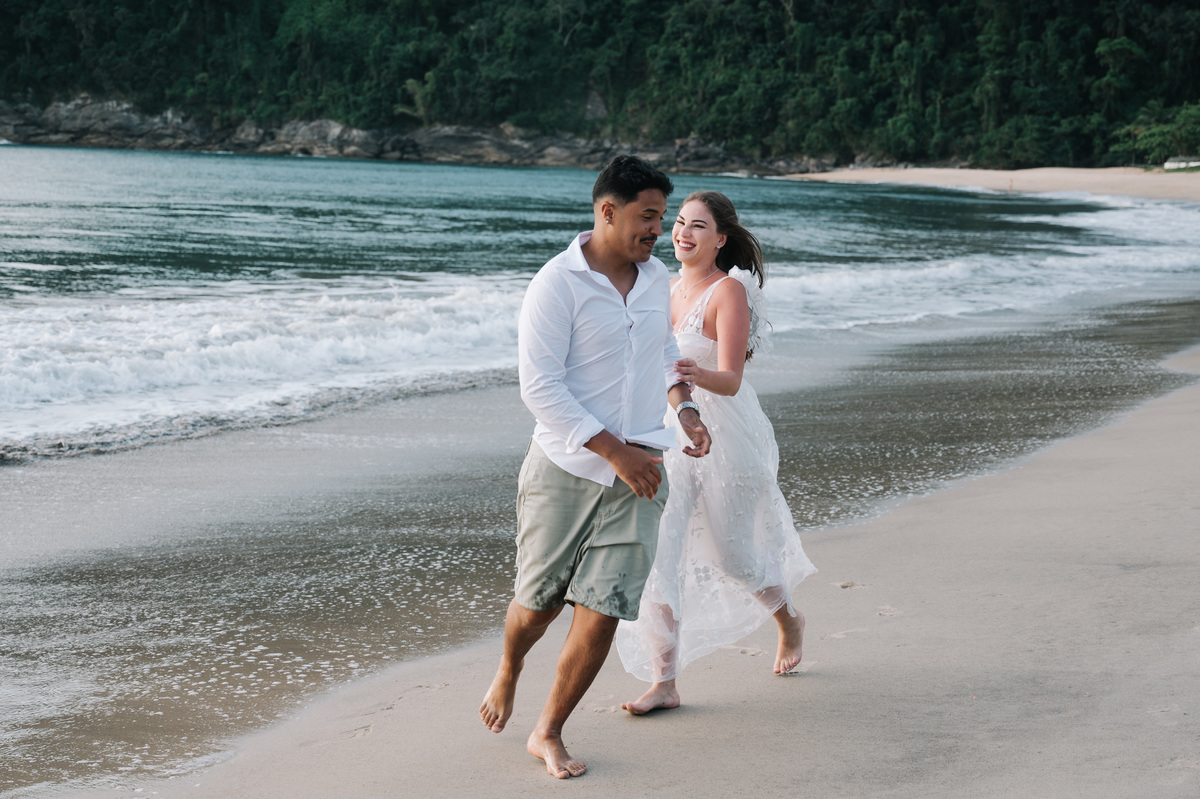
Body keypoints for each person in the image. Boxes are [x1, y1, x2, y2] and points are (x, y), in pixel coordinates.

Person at [479, 155, 712, 778]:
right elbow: (539, 387)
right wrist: (614, 452)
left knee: (604, 607)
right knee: (539, 605)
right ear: (608, 211)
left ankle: (548, 730)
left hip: (643, 470)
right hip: (566, 468)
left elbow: (664, 350)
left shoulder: (655, 277)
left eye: (662, 217)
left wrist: (685, 408)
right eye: (648, 217)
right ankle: (510, 665)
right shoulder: (556, 284)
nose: (659, 231)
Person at [616, 190, 817, 714]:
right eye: (680, 222)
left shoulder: (727, 292)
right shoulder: (661, 287)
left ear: (720, 239)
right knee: (661, 551)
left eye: (698, 226)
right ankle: (664, 682)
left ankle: (788, 619)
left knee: (732, 556)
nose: (683, 233)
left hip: (726, 435)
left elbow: (730, 379)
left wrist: (695, 372)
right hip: (668, 431)